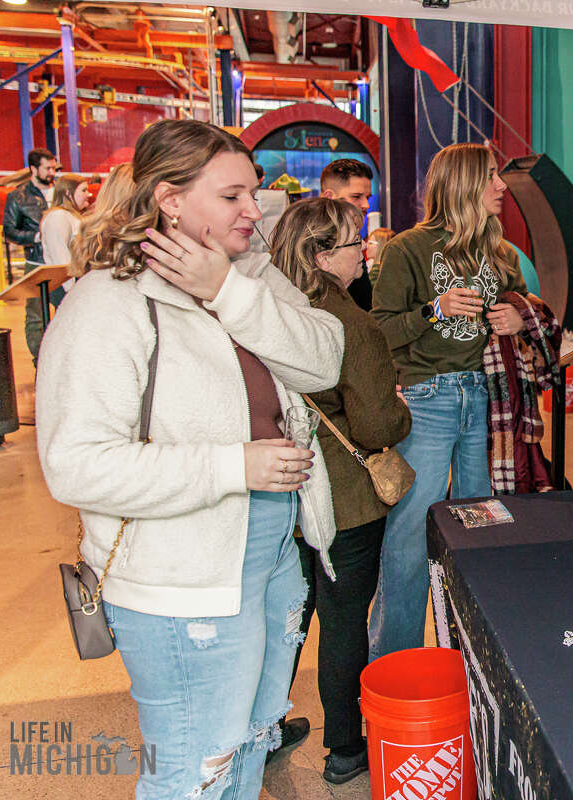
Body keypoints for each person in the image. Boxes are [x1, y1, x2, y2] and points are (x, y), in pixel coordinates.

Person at [36, 118, 344, 798]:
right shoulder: (107, 305)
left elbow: (325, 359)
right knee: (194, 765)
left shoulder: (250, 277)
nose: (253, 210)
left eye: (253, 192)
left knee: (247, 742)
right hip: (178, 574)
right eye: (232, 195)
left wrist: (226, 291)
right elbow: (76, 464)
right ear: (171, 201)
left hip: (268, 550)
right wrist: (231, 466)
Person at [271, 197, 412, 783]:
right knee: (344, 620)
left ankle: (267, 723)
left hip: (281, 494)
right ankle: (347, 749)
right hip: (345, 501)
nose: (367, 254)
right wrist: (400, 412)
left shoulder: (271, 308)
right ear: (324, 254)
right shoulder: (351, 323)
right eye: (358, 244)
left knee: (285, 618)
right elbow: (376, 425)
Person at [369, 142, 529, 658]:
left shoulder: (499, 251)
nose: (501, 186)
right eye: (490, 177)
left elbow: (525, 307)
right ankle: (397, 664)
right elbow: (381, 332)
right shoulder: (408, 249)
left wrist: (516, 318)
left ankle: (469, 656)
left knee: (479, 527)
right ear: (462, 184)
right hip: (428, 399)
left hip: (482, 397)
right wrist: (433, 310)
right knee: (411, 538)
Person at [3, 148, 59, 366]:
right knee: (36, 317)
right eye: (48, 168)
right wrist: (36, 236)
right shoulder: (18, 196)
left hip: (62, 262)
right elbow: (9, 231)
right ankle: (41, 362)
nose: (52, 172)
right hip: (37, 263)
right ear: (34, 169)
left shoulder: (61, 192)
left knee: (67, 309)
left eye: (54, 167)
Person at [320, 158, 375, 310]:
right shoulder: (312, 243)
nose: (366, 205)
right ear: (329, 197)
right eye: (356, 197)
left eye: (367, 197)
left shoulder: (352, 239)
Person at [39, 173, 92, 293]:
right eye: (84, 190)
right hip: (65, 286)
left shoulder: (71, 216)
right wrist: (72, 290)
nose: (88, 194)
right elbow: (61, 258)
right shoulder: (58, 217)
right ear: (68, 193)